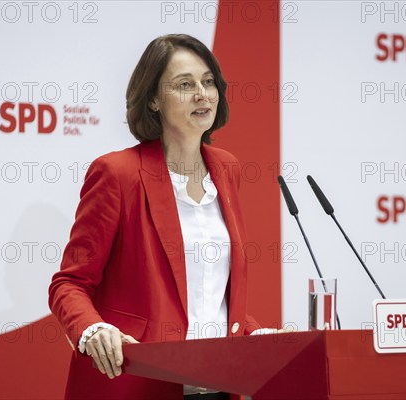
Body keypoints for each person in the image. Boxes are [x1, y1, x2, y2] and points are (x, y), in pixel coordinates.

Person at [48, 34, 263, 400]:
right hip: (137, 383)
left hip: (219, 385)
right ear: (153, 99)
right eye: (184, 84)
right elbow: (69, 284)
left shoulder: (226, 170)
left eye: (208, 82)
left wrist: (257, 335)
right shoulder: (117, 173)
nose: (202, 93)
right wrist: (94, 330)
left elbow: (210, 293)